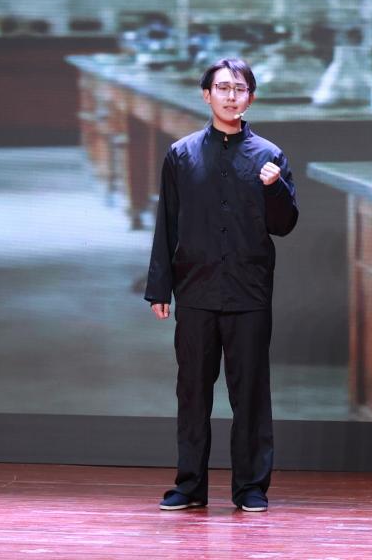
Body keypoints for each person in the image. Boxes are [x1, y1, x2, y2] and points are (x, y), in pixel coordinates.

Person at [144, 57, 299, 514]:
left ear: (251, 97)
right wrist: (160, 287)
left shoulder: (270, 156)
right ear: (206, 95)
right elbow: (167, 223)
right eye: (223, 88)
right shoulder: (182, 154)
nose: (232, 96)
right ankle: (189, 484)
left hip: (249, 291)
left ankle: (251, 487)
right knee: (192, 391)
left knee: (249, 393)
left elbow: (285, 225)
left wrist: (275, 188)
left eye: (240, 88)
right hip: (196, 289)